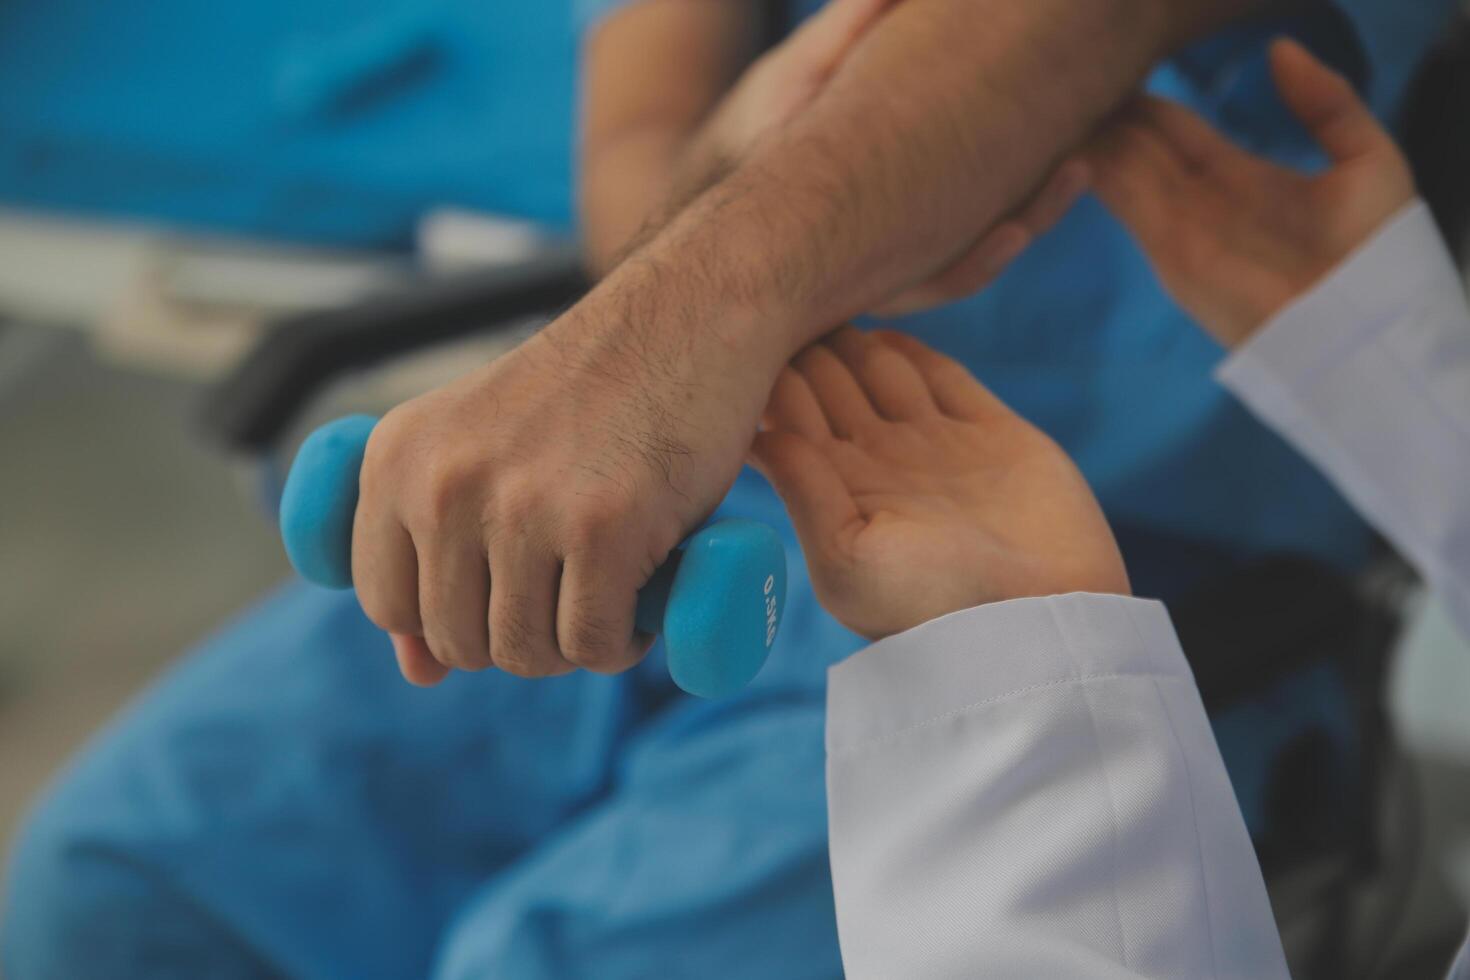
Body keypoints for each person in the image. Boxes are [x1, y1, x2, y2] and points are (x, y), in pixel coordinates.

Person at [2, 4, 1460, 979]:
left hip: (1112, 559)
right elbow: (650, 70)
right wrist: (677, 195)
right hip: (696, 496)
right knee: (112, 891)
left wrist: (664, 329)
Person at [754, 40, 1469, 976]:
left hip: (1059, 622)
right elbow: (641, 169)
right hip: (761, 534)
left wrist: (1036, 721)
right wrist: (1393, 359)